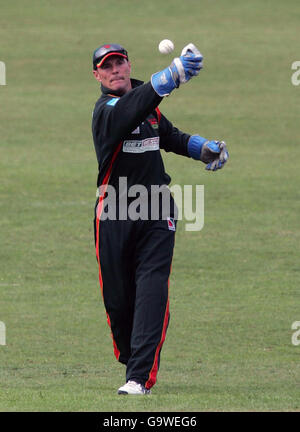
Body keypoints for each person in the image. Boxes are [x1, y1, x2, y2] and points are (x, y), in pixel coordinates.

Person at [91, 43, 228, 395]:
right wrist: (169, 78)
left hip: (156, 209)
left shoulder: (147, 103)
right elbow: (128, 112)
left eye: (120, 63)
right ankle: (132, 355)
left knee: (152, 288)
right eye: (107, 67)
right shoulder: (105, 111)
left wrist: (200, 148)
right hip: (115, 213)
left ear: (128, 64)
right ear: (98, 76)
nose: (116, 70)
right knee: (119, 301)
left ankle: (138, 378)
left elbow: (167, 136)